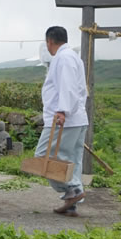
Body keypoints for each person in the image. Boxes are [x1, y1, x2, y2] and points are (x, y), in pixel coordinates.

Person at [36, 26, 89, 217]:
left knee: (44, 155)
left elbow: (67, 87)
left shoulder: (63, 58)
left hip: (63, 118)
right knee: (71, 160)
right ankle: (71, 201)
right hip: (77, 118)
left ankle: (73, 189)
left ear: (49, 41)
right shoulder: (73, 56)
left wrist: (62, 111)